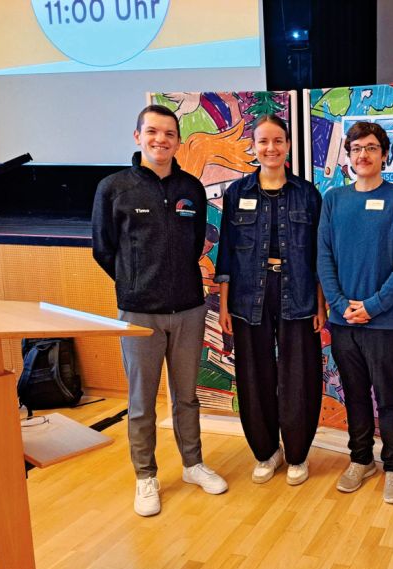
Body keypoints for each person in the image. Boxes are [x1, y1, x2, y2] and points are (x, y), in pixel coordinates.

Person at [92, 104, 228, 517]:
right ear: (138, 137)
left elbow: (195, 245)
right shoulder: (114, 188)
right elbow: (103, 248)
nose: (161, 140)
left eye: (169, 134)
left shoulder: (191, 188)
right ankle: (146, 476)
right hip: (139, 314)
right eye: (152, 132)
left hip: (188, 309)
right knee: (141, 402)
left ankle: (192, 464)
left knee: (187, 396)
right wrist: (135, 284)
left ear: (178, 141)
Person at [215, 114, 325, 486]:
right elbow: (226, 254)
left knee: (299, 377)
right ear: (254, 146)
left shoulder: (307, 193)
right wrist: (225, 305)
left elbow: (318, 255)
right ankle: (266, 452)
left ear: (288, 145)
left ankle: (296, 454)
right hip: (248, 297)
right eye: (263, 141)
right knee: (254, 376)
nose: (271, 148)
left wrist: (320, 305)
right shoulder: (237, 193)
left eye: (278, 141)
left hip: (299, 294)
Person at [317, 121, 393, 504]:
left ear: (384, 154)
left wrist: (373, 305)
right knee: (355, 394)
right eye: (356, 148)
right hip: (343, 321)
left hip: (385, 321)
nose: (364, 154)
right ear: (348, 155)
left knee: (388, 396)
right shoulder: (334, 200)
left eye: (372, 147)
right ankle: (360, 459)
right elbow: (323, 256)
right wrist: (341, 305)